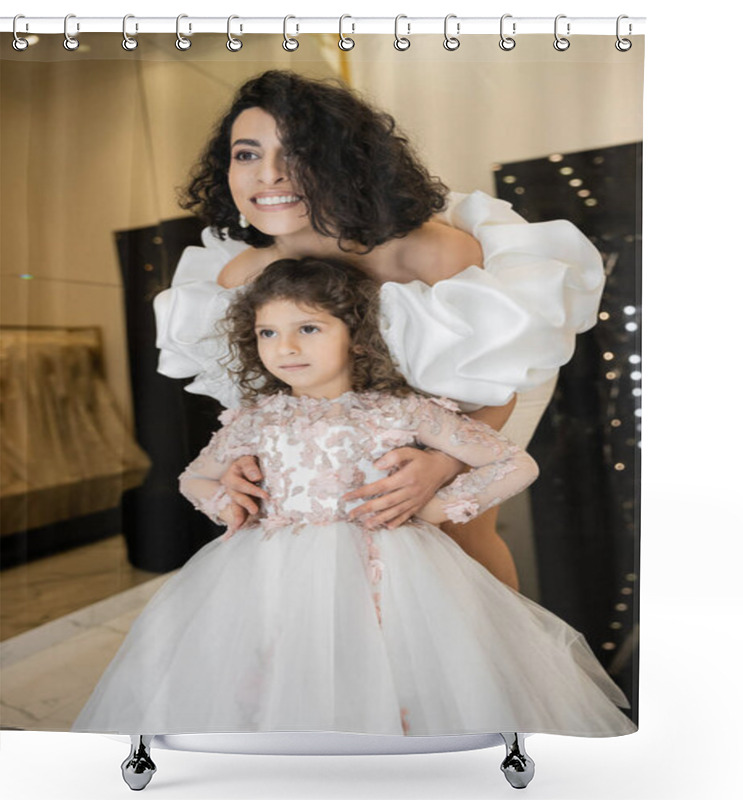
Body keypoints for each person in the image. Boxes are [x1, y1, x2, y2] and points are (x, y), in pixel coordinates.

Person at [73, 258, 634, 737]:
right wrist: (228, 502)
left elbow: (515, 461)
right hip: (270, 574)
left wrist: (438, 507)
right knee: (278, 683)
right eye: (268, 333)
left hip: (390, 572)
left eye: (308, 329)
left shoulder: (400, 410)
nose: (285, 347)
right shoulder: (257, 418)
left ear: (356, 335)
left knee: (394, 681)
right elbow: (193, 477)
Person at [155, 70, 606, 591]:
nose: (268, 175)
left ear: (346, 162)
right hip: (343, 401)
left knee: (456, 529)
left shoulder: (436, 253)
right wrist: (244, 460)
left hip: (475, 393)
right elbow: (263, 397)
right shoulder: (241, 278)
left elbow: (500, 377)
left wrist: (442, 463)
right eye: (248, 154)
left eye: (297, 153)